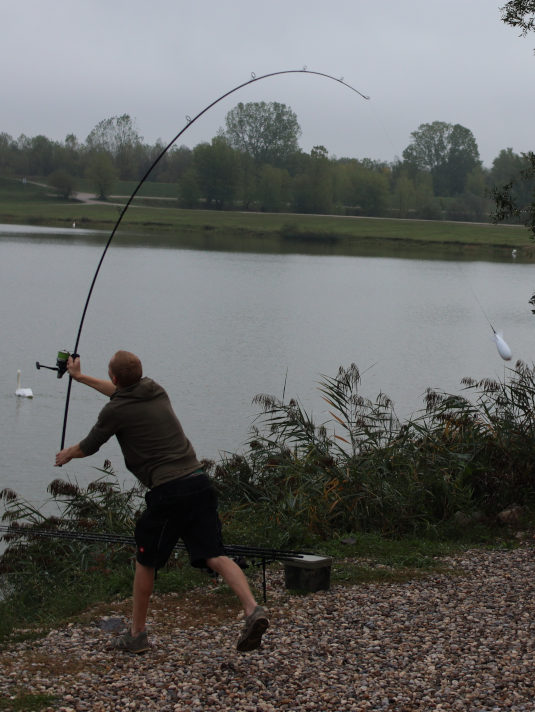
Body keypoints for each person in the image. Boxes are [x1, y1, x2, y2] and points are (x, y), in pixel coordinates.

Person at [55, 350, 269, 654]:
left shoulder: (115, 411)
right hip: (198, 482)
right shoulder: (154, 390)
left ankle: (137, 635)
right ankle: (252, 609)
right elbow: (119, 391)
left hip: (169, 492)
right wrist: (79, 378)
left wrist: (67, 454)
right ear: (139, 375)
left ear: (115, 377)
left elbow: (90, 446)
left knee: (146, 560)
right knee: (214, 554)